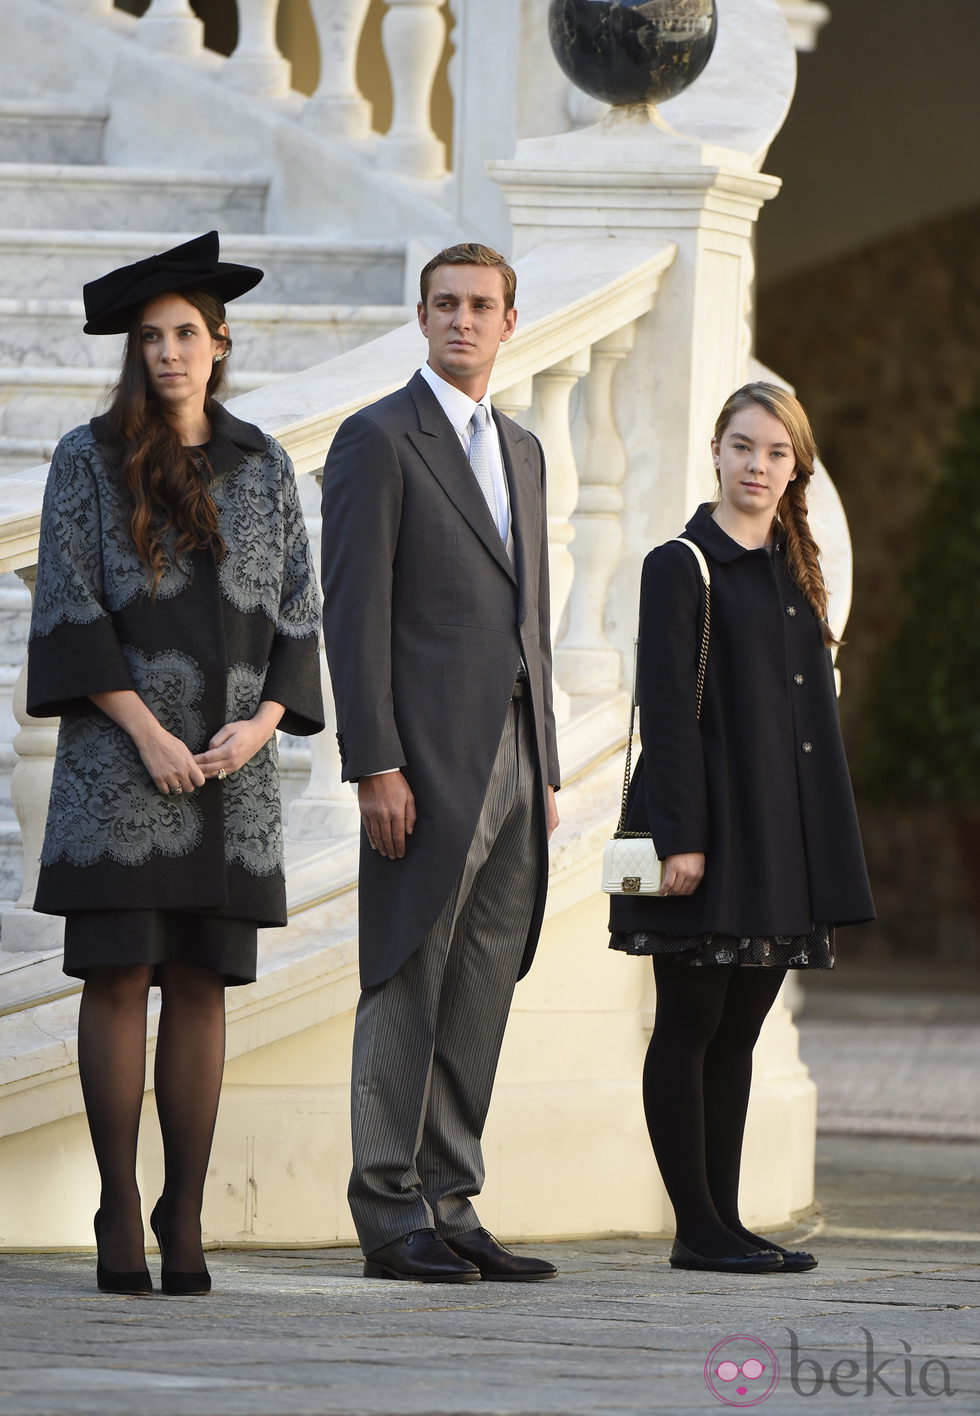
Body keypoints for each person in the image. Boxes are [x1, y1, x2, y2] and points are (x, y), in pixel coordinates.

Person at [27, 231, 324, 1296]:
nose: (168, 351)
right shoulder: (85, 458)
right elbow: (66, 602)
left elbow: (299, 612)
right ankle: (117, 1202)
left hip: (230, 779)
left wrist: (260, 726)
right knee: (117, 977)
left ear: (219, 341)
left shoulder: (266, 464)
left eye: (185, 333)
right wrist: (144, 730)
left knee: (201, 982)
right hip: (118, 775)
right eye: (149, 337)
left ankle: (182, 1207)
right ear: (132, 351)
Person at [320, 243, 561, 1283]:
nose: (462, 320)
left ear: (510, 321)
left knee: (482, 977)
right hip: (420, 759)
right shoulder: (377, 439)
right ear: (420, 315)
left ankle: (449, 1196)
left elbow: (531, 615)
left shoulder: (525, 449)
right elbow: (353, 610)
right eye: (445, 305)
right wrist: (374, 760)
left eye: (481, 306)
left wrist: (545, 760)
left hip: (515, 747)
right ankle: (386, 1208)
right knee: (406, 971)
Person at [609, 382, 874, 1274]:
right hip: (710, 830)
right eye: (743, 447)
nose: (757, 467)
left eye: (776, 454)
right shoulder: (680, 563)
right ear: (716, 452)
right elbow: (667, 714)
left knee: (741, 1030)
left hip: (780, 834)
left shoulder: (797, 569)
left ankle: (725, 1221)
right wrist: (683, 836)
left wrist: (819, 843)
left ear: (795, 468)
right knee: (689, 1021)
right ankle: (696, 1227)